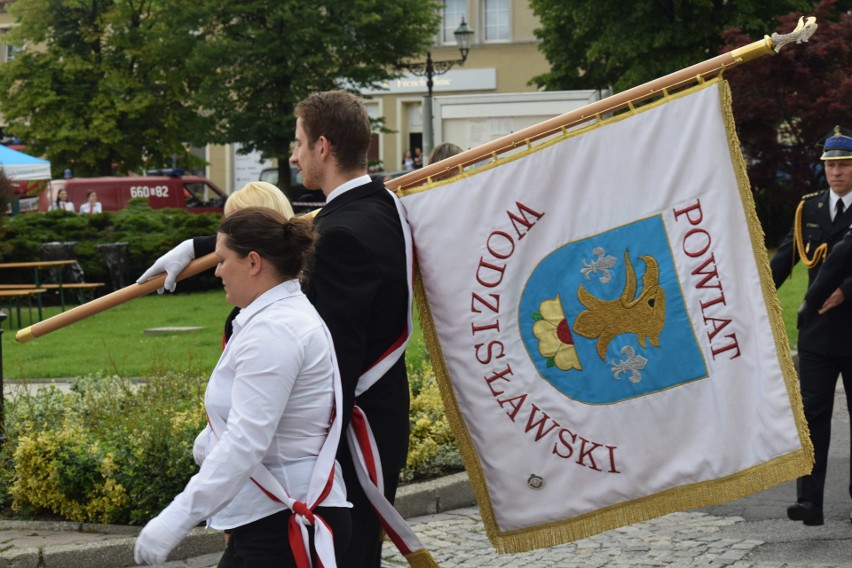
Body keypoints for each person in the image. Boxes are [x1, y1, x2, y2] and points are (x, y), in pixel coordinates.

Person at [136, 91, 412, 568]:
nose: (293, 154)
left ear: (323, 147)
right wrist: (204, 246)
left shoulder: (343, 235)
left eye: (299, 142)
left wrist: (270, 477)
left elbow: (335, 366)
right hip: (373, 428)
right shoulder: (378, 205)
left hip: (339, 448)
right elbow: (294, 230)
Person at [134, 207, 352, 567]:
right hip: (270, 518)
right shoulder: (272, 318)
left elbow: (246, 440)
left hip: (283, 521)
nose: (216, 270)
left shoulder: (275, 329)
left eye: (222, 260)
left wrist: (175, 519)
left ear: (253, 262)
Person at [770, 124, 852, 527]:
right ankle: (809, 502)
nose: (837, 172)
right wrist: (758, 294)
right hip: (817, 334)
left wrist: (848, 290)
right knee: (812, 415)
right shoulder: (811, 208)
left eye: (844, 164)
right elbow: (785, 259)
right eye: (831, 165)